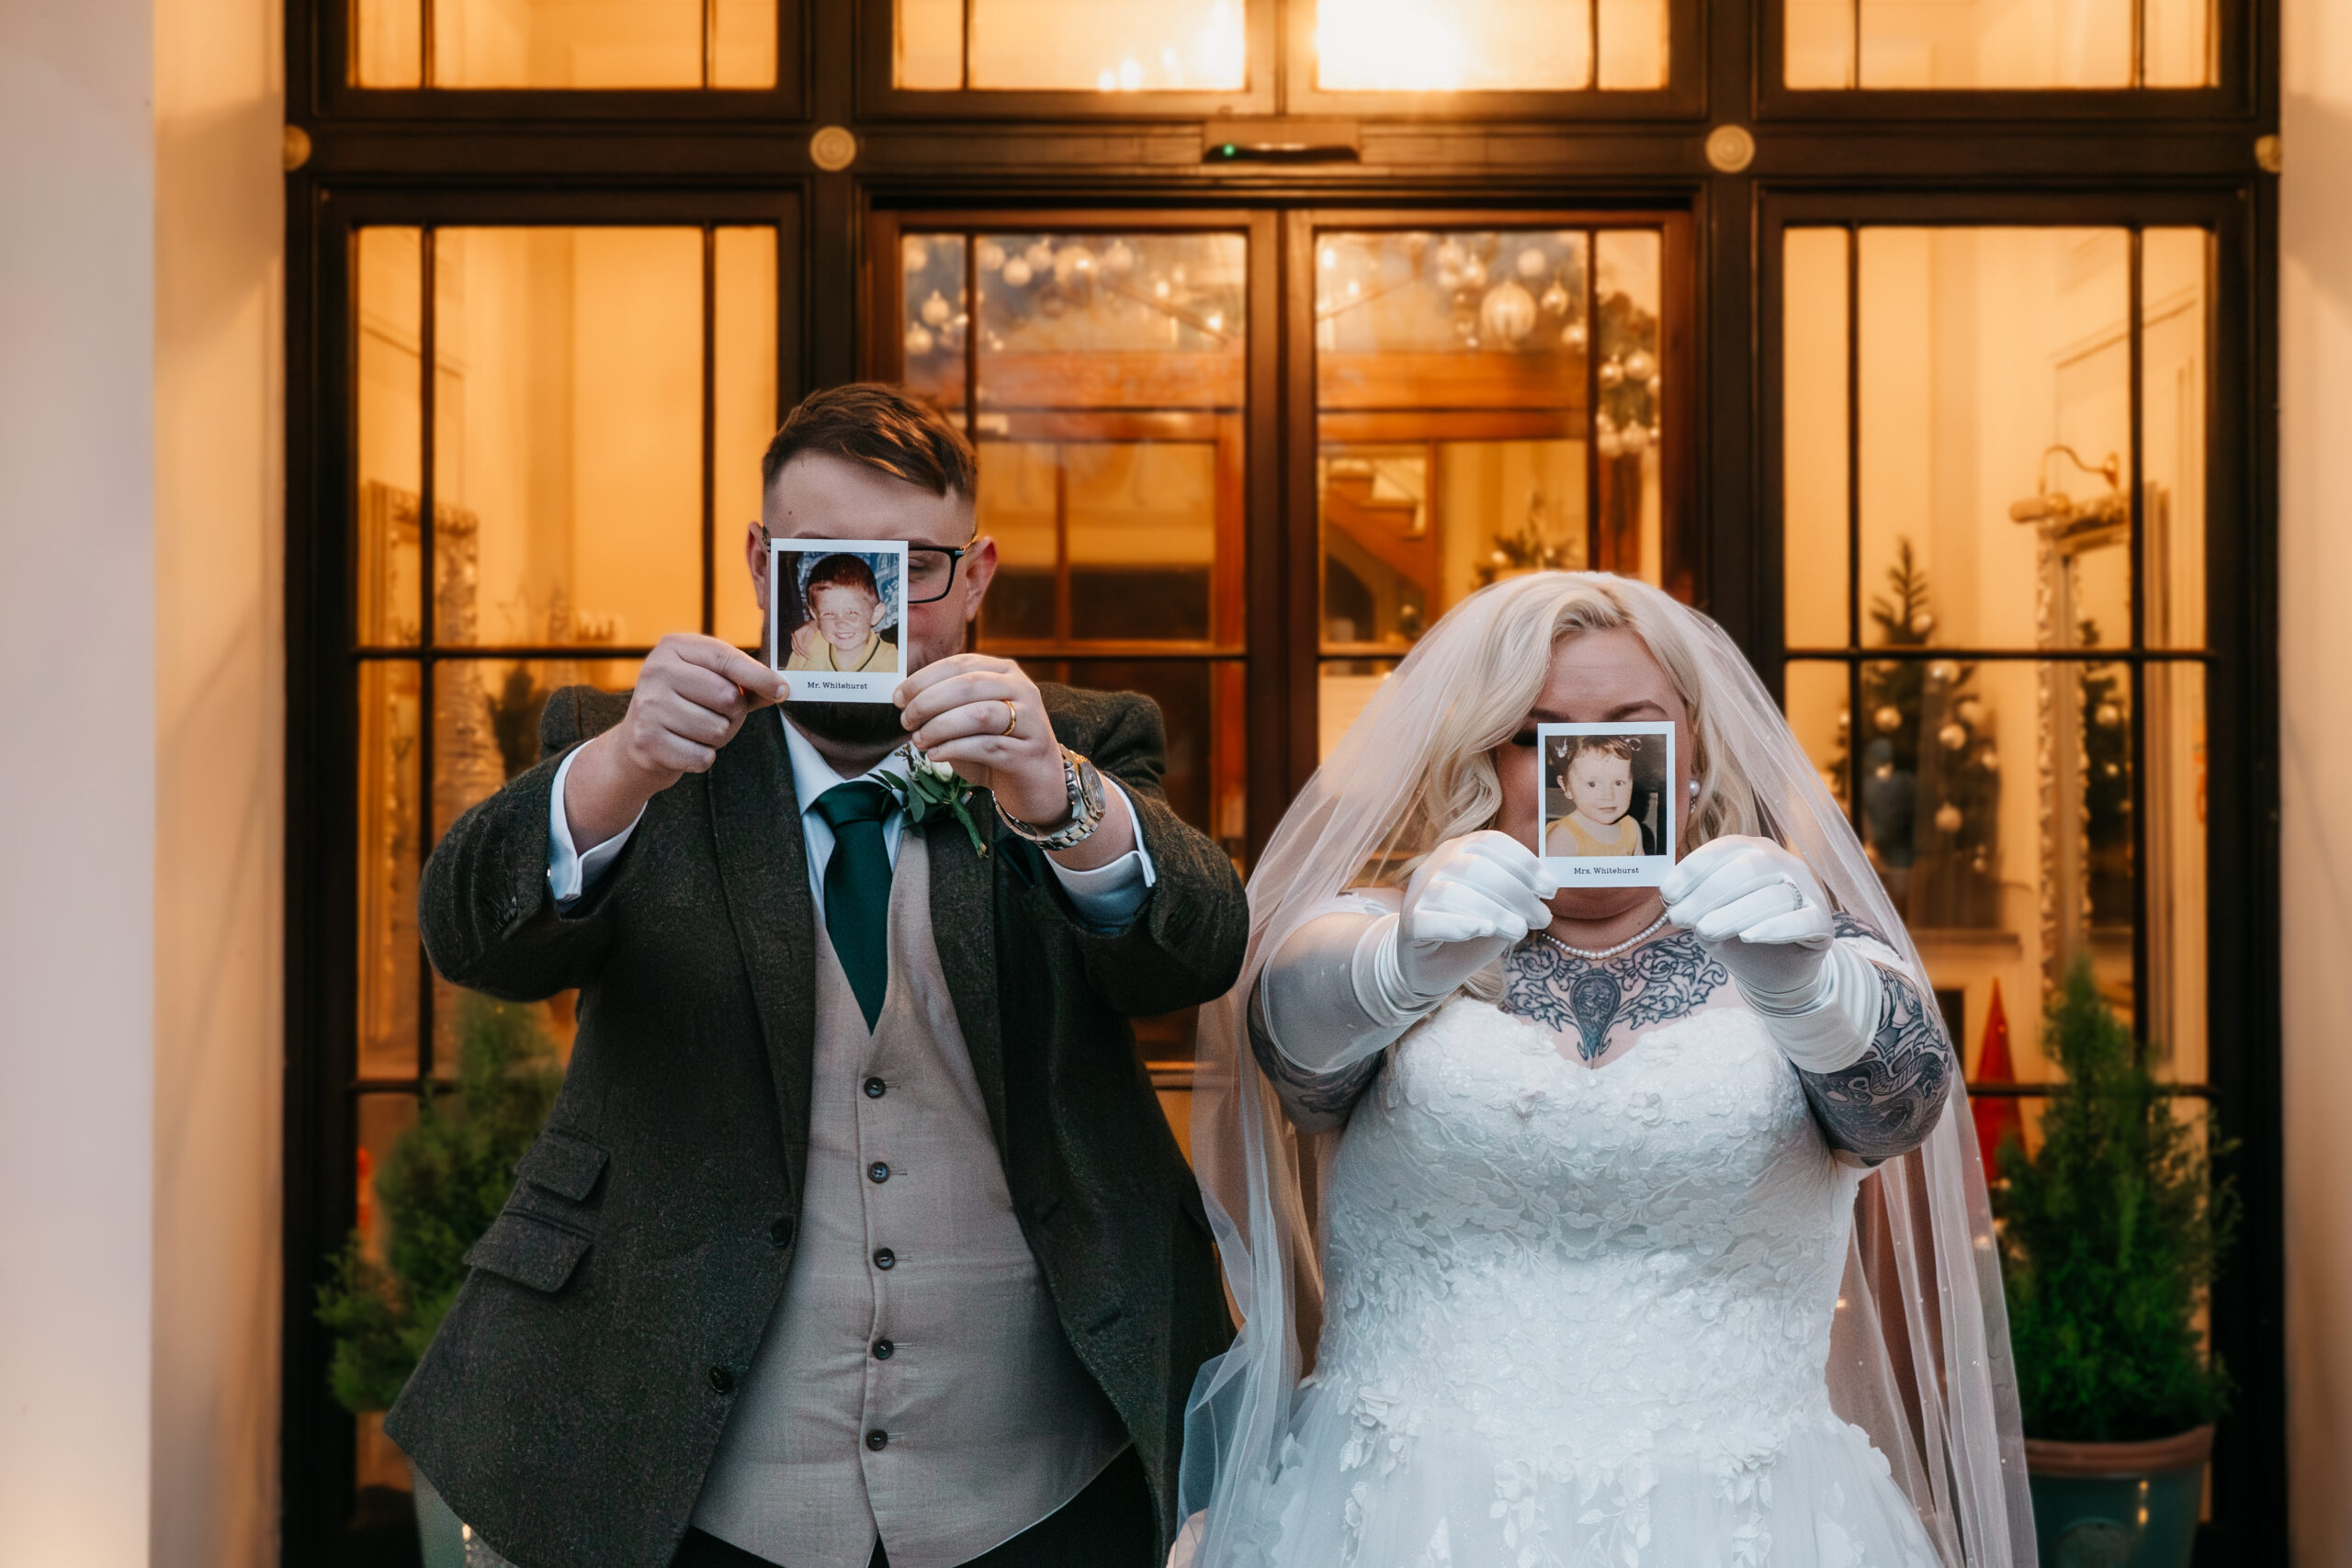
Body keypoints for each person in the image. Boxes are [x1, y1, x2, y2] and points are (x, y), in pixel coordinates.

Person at [389, 384, 1247, 1568]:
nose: (868, 604)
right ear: (761, 563)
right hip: (689, 1460)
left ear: (977, 575)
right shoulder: (636, 744)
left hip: (1041, 1470)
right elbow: (467, 939)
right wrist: (620, 769)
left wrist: (1062, 798)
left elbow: (1195, 955)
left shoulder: (1075, 742)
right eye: (827, 562)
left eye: (917, 568)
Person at [1176, 572, 2033, 1568]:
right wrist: (1401, 960)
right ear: (1488, 752)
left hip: (1745, 1525)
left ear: (1693, 751)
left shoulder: (1794, 934)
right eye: (1536, 735)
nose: (1587, 768)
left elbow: (1900, 1110)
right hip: (1400, 1513)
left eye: (1631, 729)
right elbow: (1293, 1054)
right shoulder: (1379, 932)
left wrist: (1808, 986)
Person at [786, 553, 900, 674]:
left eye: (852, 613)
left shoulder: (891, 660)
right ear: (814, 615)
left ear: (876, 614)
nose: (841, 624)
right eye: (828, 613)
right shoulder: (807, 647)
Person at [1542, 734, 1644, 857]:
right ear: (1566, 787)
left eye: (1618, 783)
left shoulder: (1632, 828)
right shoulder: (1562, 838)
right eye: (1592, 784)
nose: (1608, 796)